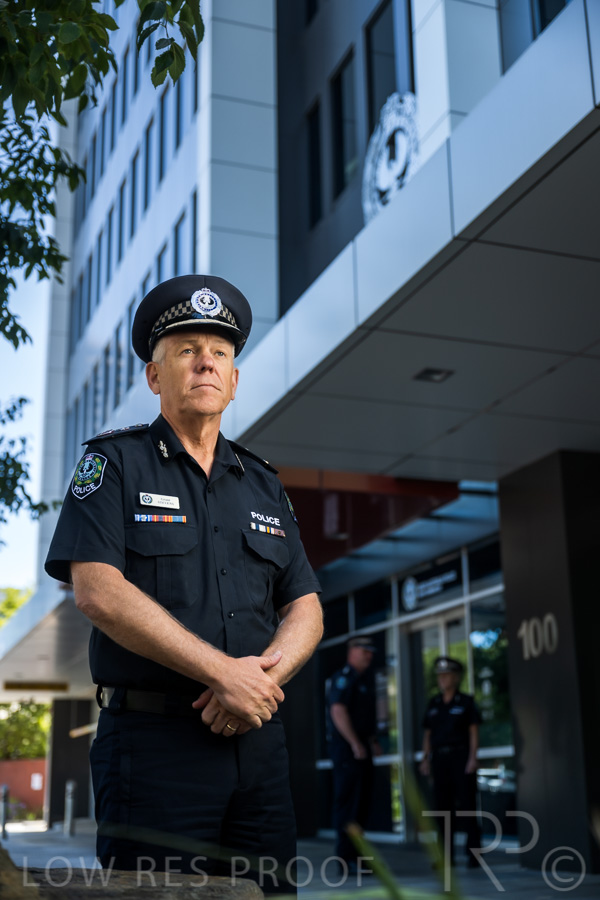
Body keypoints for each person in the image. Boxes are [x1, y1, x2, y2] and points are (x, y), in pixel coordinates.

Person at [45, 274, 323, 895]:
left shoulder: (264, 483)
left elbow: (304, 604)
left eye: (219, 352)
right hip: (153, 751)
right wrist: (222, 673)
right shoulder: (112, 463)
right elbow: (97, 591)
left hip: (257, 746)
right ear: (155, 375)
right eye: (187, 350)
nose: (206, 363)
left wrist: (255, 685)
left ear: (234, 379)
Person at [419, 656, 481, 869]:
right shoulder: (434, 703)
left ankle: (474, 854)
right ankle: (445, 856)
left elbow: (473, 732)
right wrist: (425, 758)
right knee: (442, 809)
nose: (442, 679)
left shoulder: (466, 702)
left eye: (446, 675)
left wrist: (473, 758)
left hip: (461, 758)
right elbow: (428, 734)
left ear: (456, 677)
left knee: (467, 806)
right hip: (440, 760)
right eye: (440, 676)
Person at [327, 637, 381, 874]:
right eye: (364, 651)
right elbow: (338, 711)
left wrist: (371, 741)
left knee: (361, 805)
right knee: (348, 805)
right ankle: (345, 858)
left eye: (371, 651)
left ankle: (358, 856)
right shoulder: (344, 677)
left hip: (361, 749)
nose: (369, 655)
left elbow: (363, 717)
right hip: (348, 752)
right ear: (352, 652)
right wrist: (355, 743)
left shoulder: (363, 679)